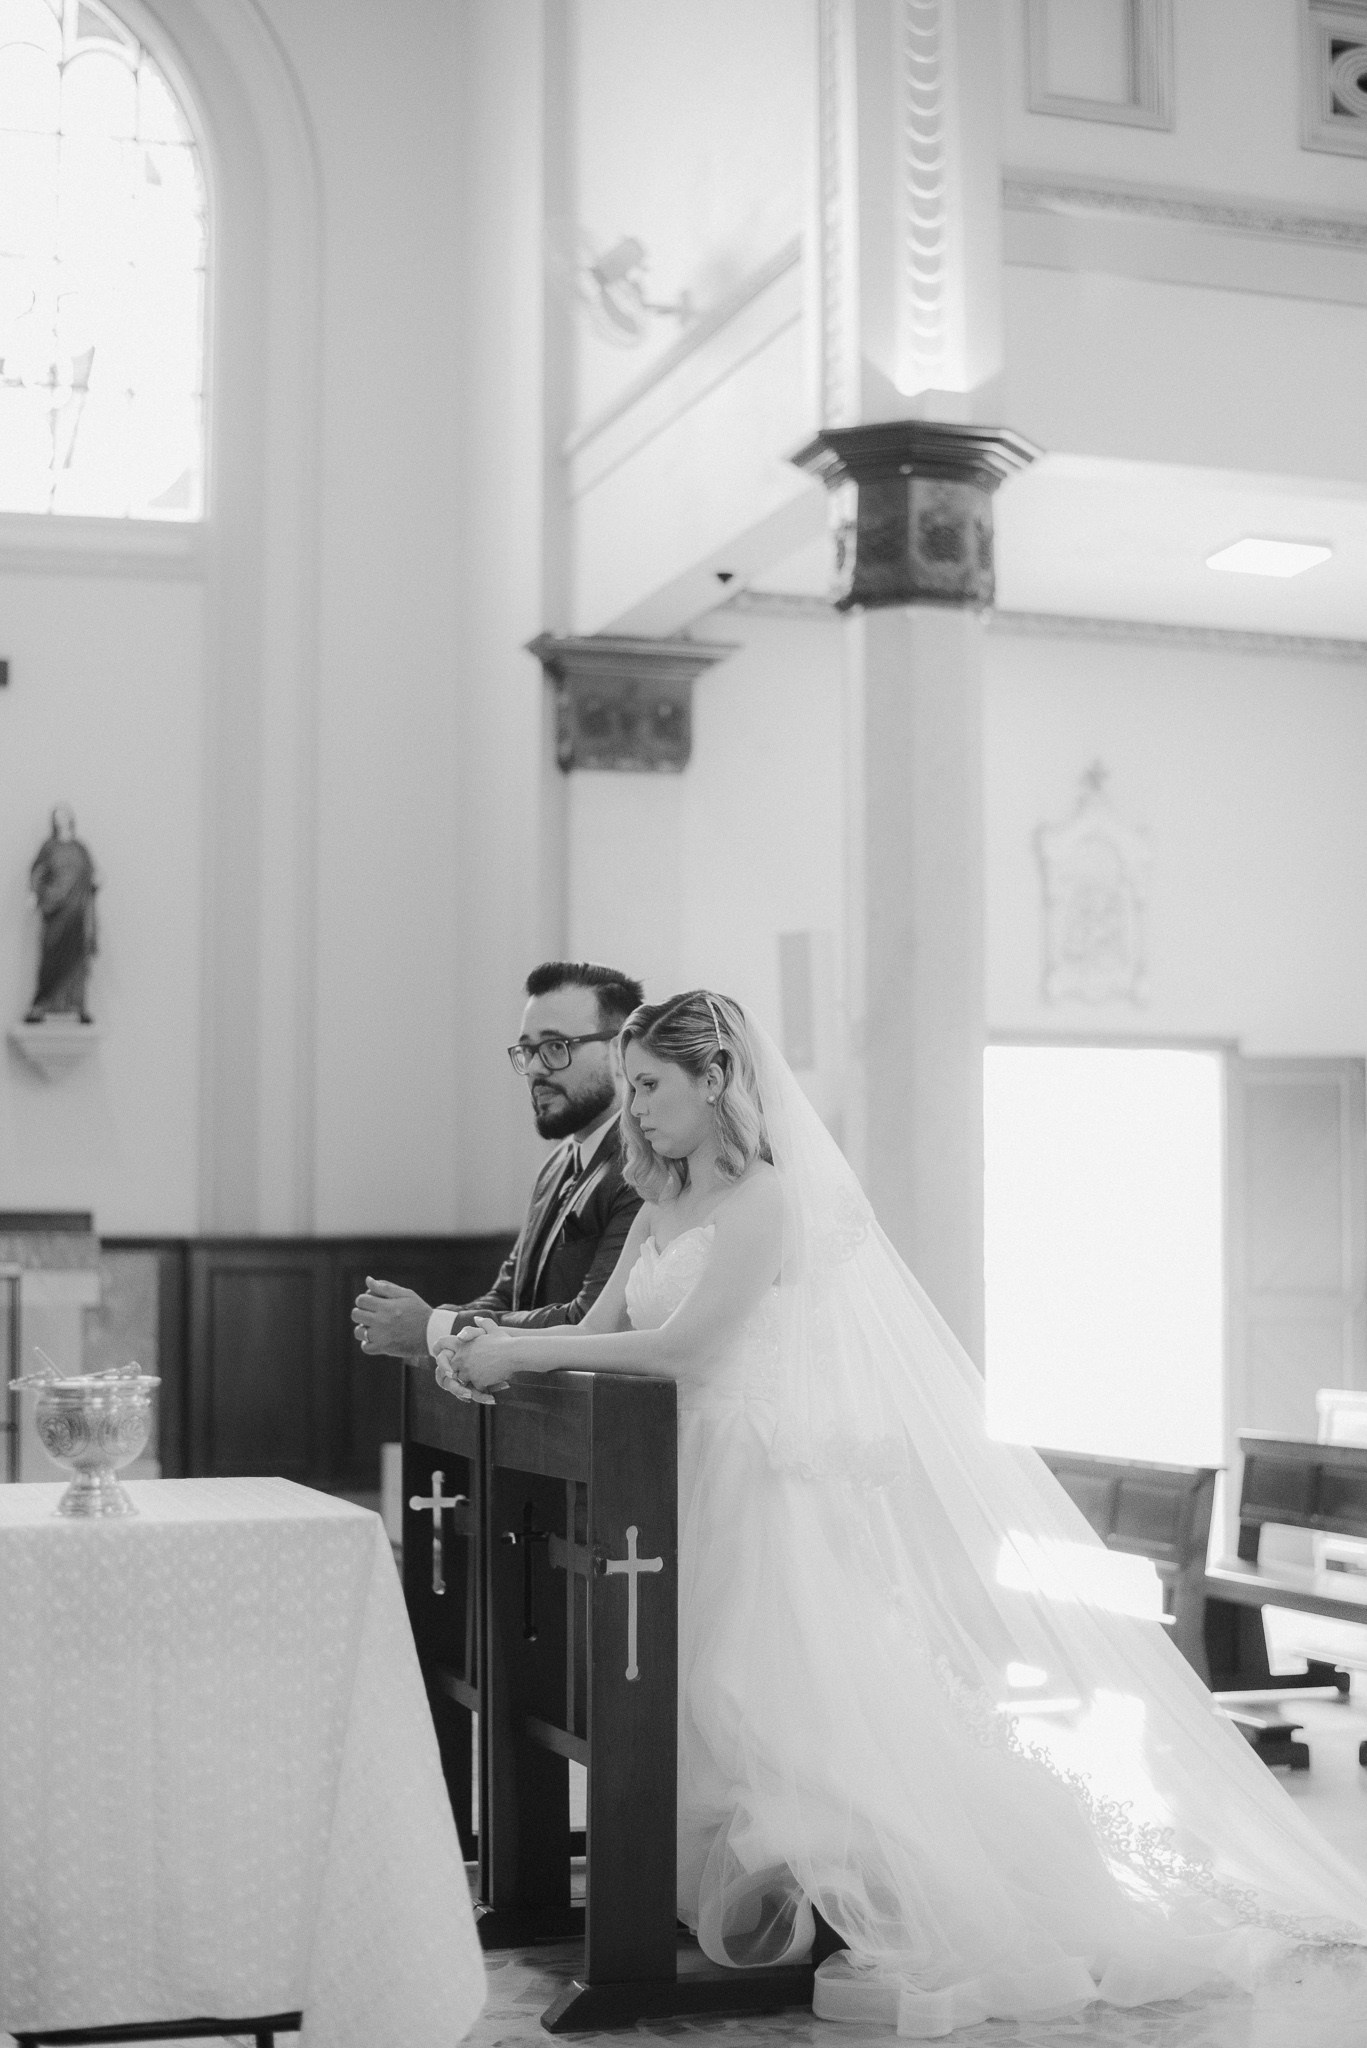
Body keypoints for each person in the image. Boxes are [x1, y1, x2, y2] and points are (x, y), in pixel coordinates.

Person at [436, 989, 1367, 2038]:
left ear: (715, 1079)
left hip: (750, 1478)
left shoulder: (763, 1200)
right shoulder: (659, 1206)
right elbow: (603, 1325)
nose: (636, 1108)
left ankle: (853, 1889)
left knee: (753, 1688)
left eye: (650, 1085)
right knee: (689, 1691)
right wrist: (497, 1353)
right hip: (667, 1475)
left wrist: (515, 1352)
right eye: (632, 1085)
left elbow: (684, 1346)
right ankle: (727, 1897)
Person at [352, 961, 644, 1361]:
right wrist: (432, 1328)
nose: (535, 1069)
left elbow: (588, 1322)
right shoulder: (559, 1163)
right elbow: (509, 1296)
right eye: (528, 1050)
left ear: (620, 1051)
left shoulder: (640, 1168)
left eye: (556, 1047)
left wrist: (434, 1328)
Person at [25, 804, 98, 1023]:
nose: (61, 819)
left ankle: (77, 1004)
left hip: (76, 913)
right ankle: (42, 1004)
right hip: (56, 913)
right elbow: (38, 873)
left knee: (76, 960)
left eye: (65, 815)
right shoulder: (49, 848)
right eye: (58, 816)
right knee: (52, 958)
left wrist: (96, 882)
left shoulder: (80, 848)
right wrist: (35, 894)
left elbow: (90, 875)